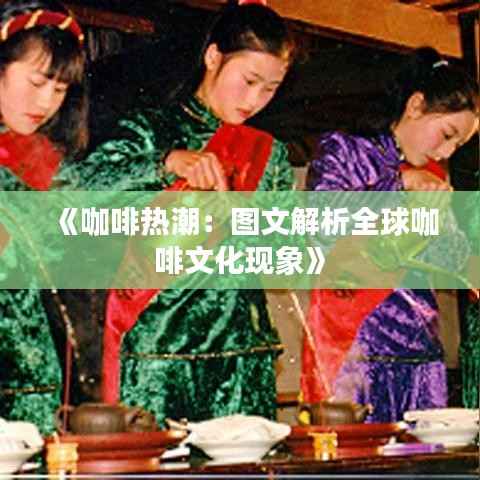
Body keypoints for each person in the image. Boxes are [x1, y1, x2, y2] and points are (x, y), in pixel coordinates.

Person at [61, 1, 296, 426]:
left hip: (242, 356)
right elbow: (76, 190)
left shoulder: (270, 154)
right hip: (158, 353)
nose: (255, 100)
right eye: (248, 81)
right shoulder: (152, 131)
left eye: (271, 88)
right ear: (213, 57)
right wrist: (164, 163)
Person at [301, 47, 478, 423]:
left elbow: (449, 259)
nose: (446, 152)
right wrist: (397, 183)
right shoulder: (345, 150)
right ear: (415, 105)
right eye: (446, 135)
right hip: (353, 344)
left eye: (457, 146)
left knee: (425, 452)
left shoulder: (432, 179)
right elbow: (322, 224)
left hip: (419, 348)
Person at [0, 0, 87, 433]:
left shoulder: (48, 163)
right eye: (37, 82)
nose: (46, 103)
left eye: (60, 90)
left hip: (38, 381)